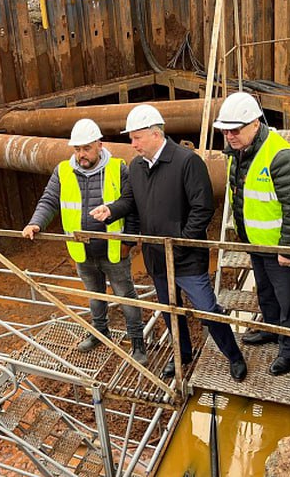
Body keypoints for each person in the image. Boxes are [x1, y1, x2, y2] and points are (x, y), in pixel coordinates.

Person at [90, 104, 247, 381]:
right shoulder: (137, 166)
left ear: (155, 134)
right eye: (132, 138)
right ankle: (182, 353)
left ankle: (233, 356)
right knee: (169, 310)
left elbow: (203, 208)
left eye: (136, 137)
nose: (132, 143)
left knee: (207, 309)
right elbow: (130, 200)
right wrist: (111, 210)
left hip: (186, 257)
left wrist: (183, 241)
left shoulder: (187, 162)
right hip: (156, 256)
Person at [22, 118, 148, 365]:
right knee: (94, 295)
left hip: (113, 250)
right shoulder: (63, 172)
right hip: (82, 250)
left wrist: (128, 244)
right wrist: (36, 222)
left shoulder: (117, 169)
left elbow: (133, 208)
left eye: (86, 148)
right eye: (77, 149)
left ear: (99, 145)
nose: (81, 154)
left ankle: (138, 344)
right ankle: (100, 333)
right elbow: (49, 200)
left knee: (126, 297)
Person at [214, 91, 290, 376]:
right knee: (266, 293)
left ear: (255, 124)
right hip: (256, 244)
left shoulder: (280, 156)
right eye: (225, 130)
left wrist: (288, 249)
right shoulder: (237, 153)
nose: (229, 136)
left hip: (278, 247)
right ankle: (270, 328)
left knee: (288, 298)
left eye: (235, 130)